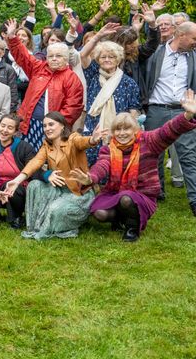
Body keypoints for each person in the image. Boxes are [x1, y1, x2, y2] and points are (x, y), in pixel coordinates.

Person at [71, 94, 196, 241]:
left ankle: (132, 227)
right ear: (113, 132)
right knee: (99, 213)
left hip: (142, 194)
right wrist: (89, 178)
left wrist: (187, 115)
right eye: (118, 129)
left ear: (135, 130)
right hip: (115, 192)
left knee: (126, 199)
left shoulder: (148, 141)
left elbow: (167, 131)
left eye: (126, 129)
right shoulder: (108, 149)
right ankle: (120, 219)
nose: (122, 133)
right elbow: (102, 166)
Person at [4, 112, 105, 240]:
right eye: (45, 126)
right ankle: (36, 226)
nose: (47, 128)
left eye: (51, 124)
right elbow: (35, 162)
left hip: (78, 194)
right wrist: (17, 181)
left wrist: (93, 139)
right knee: (34, 185)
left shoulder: (73, 139)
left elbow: (83, 142)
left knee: (55, 209)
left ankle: (65, 224)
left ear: (62, 126)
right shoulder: (47, 145)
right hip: (58, 190)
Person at [6, 18, 84, 151]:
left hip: (53, 128)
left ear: (66, 59)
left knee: (48, 161)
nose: (54, 59)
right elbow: (23, 56)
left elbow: (73, 107)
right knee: (26, 157)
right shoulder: (38, 68)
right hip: (29, 123)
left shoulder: (72, 78)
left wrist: (54, 125)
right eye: (51, 56)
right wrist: (12, 37)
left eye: (58, 56)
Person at [144, 21, 196, 212]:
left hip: (183, 112)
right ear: (181, 35)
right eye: (194, 38)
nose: (195, 43)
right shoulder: (156, 54)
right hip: (156, 109)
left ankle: (195, 200)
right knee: (153, 154)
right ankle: (157, 193)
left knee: (189, 155)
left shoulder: (194, 57)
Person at [0, 114, 41, 229]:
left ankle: (16, 217)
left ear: (16, 132)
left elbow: (34, 168)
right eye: (3, 126)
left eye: (10, 128)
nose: (5, 130)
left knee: (12, 188)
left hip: (18, 189)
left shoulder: (25, 147)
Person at [81, 41, 141, 165]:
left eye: (111, 57)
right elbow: (83, 55)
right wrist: (99, 36)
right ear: (98, 59)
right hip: (94, 126)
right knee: (92, 163)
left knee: (118, 163)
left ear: (118, 59)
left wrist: (132, 132)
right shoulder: (92, 76)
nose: (107, 59)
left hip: (119, 130)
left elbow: (133, 110)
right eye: (103, 57)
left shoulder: (128, 82)